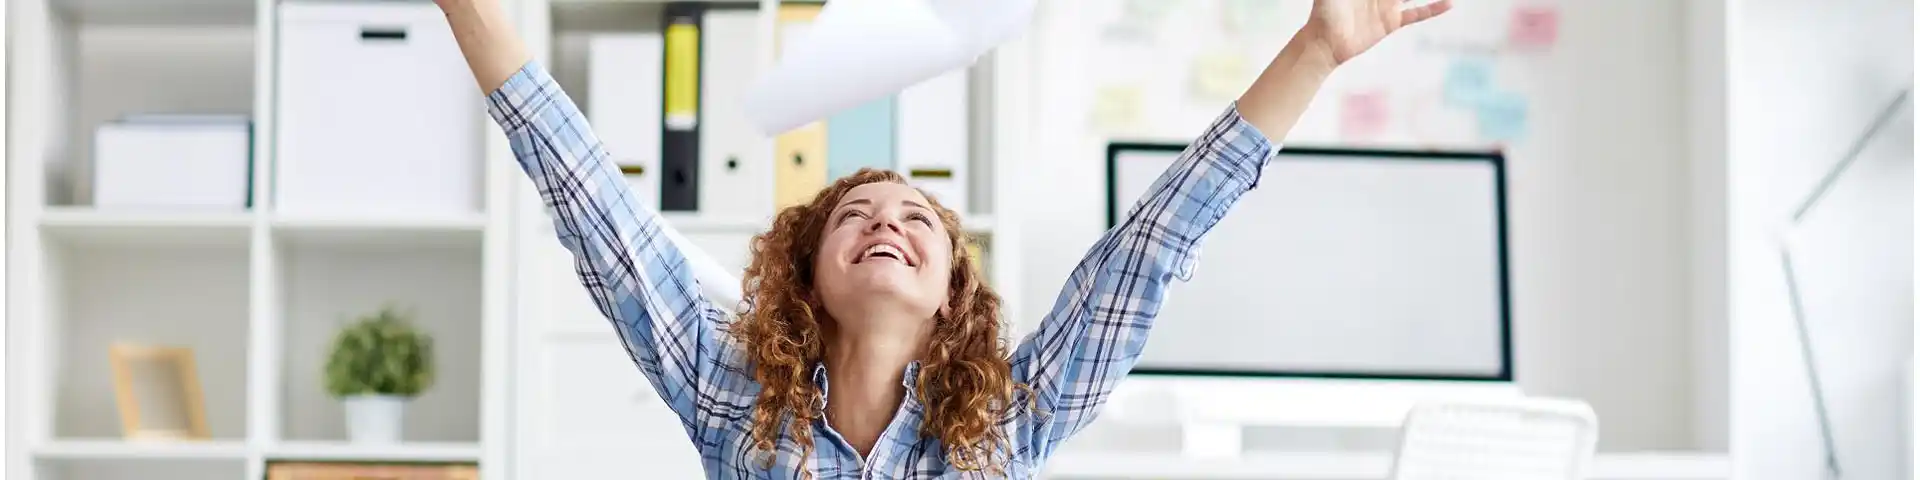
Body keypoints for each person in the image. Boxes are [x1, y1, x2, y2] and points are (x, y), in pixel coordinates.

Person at [432, 0, 1452, 477]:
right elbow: (584, 191)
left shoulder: (1012, 424)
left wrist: (1318, 49)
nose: (888, 223)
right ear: (809, 275)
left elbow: (1155, 243)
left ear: (953, 296)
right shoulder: (725, 391)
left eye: (919, 219)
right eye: (857, 216)